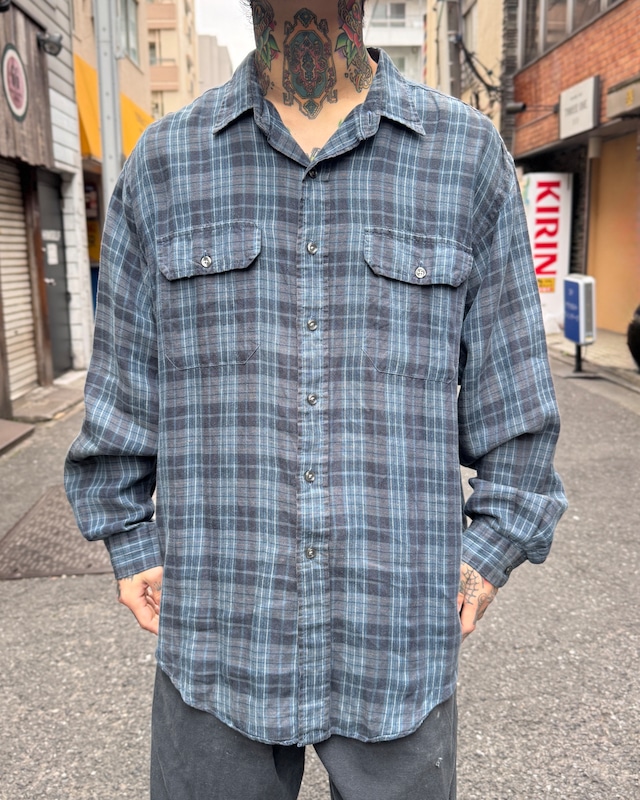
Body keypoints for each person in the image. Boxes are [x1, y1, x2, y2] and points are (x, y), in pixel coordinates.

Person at [65, 1, 568, 798]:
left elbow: (516, 405)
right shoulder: (162, 166)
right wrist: (129, 540)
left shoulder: (466, 159)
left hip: (398, 640)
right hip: (217, 637)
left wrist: (487, 555)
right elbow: (123, 389)